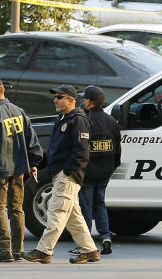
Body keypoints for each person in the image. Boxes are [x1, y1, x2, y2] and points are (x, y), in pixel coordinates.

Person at [23, 85, 101, 265]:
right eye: (56, 97)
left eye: (60, 97)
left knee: (56, 212)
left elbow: (82, 152)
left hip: (67, 175)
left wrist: (68, 172)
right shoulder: (63, 118)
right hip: (60, 173)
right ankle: (90, 250)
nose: (55, 100)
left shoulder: (78, 120)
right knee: (74, 217)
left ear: (71, 101)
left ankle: (43, 251)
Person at [0, 77, 43, 263]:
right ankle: (18, 249)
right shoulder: (19, 112)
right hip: (18, 169)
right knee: (16, 209)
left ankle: (4, 249)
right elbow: (32, 140)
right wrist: (33, 162)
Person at [74, 85, 122, 256]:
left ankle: (85, 243)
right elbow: (117, 151)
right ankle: (105, 236)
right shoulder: (112, 122)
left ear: (88, 101)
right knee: (100, 203)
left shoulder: (85, 121)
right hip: (104, 172)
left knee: (85, 206)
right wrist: (110, 168)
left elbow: (80, 148)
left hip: (87, 172)